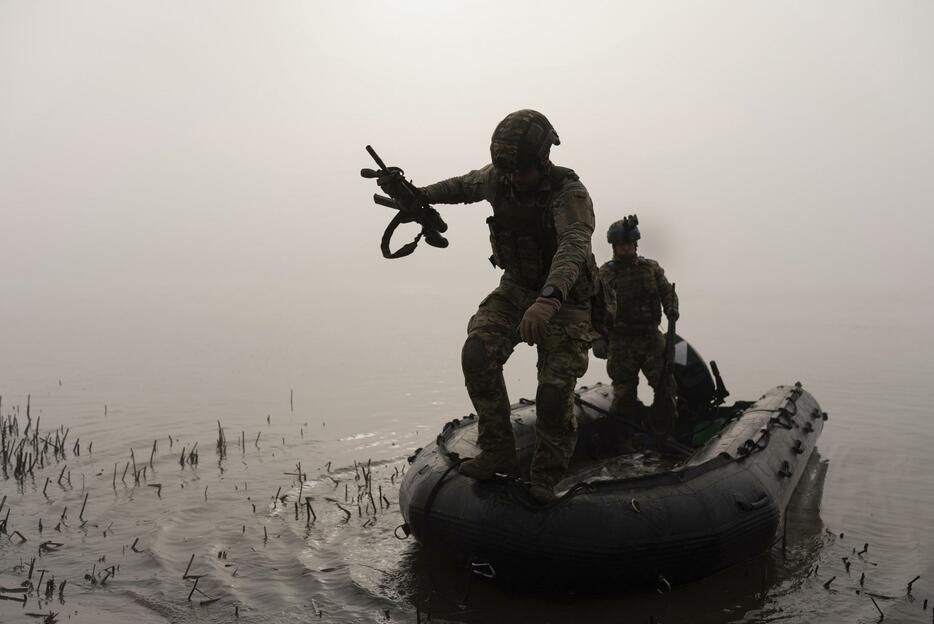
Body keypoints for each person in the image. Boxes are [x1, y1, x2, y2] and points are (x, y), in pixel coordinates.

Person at [405, 109, 598, 504]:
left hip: (567, 300)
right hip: (517, 287)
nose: (514, 179)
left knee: (553, 393)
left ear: (543, 161)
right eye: (508, 171)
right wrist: (419, 195)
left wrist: (549, 299)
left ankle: (546, 475)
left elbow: (573, 246)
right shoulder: (501, 178)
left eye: (523, 171)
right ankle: (498, 448)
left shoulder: (569, 194)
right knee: (477, 352)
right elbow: (462, 186)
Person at [593, 215, 679, 442]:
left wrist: (671, 309)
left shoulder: (650, 268)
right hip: (621, 342)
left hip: (651, 337)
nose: (625, 249)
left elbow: (667, 292)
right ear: (614, 247)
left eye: (628, 244)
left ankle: (666, 435)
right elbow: (593, 308)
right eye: (620, 245)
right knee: (623, 393)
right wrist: (596, 338)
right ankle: (621, 441)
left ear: (635, 244)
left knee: (664, 387)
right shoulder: (605, 275)